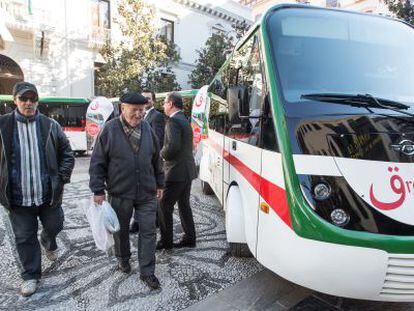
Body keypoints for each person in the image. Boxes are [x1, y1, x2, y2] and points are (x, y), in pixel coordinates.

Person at [0, 82, 75, 297]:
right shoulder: (2, 125)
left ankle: (48, 240)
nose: (29, 103)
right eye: (24, 99)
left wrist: (60, 179)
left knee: (55, 224)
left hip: (47, 194)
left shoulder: (50, 125)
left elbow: (66, 154)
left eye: (33, 99)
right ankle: (30, 275)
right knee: (24, 237)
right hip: (17, 197)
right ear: (14, 100)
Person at [89, 91, 164, 290]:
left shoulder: (147, 129)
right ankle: (123, 258)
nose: (139, 115)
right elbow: (97, 162)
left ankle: (147, 272)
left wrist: (160, 183)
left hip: (146, 192)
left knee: (148, 231)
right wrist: (97, 190)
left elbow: (157, 159)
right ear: (123, 108)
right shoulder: (109, 130)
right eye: (135, 110)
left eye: (142, 110)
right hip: (120, 192)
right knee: (120, 231)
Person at [157, 92, 197, 250]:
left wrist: (160, 154)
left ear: (171, 103)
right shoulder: (184, 119)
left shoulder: (173, 121)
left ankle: (166, 242)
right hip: (186, 171)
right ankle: (190, 238)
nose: (163, 106)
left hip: (176, 172)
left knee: (164, 205)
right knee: (184, 205)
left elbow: (172, 146)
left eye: (165, 103)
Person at [129, 90, 165, 234]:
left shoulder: (156, 116)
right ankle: (141, 221)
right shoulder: (140, 115)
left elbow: (158, 139)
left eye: (148, 99)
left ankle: (145, 222)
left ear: (153, 101)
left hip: (149, 160)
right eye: (144, 98)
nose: (146, 100)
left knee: (147, 193)